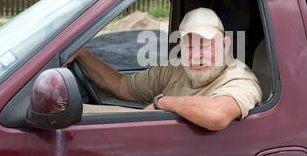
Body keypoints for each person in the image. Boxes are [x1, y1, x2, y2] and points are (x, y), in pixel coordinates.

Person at [68, 8, 262, 131]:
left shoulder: (240, 78)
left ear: (225, 45)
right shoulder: (174, 69)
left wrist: (162, 102)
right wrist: (82, 55)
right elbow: (121, 86)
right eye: (189, 46)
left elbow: (217, 115)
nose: (196, 55)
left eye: (204, 45)